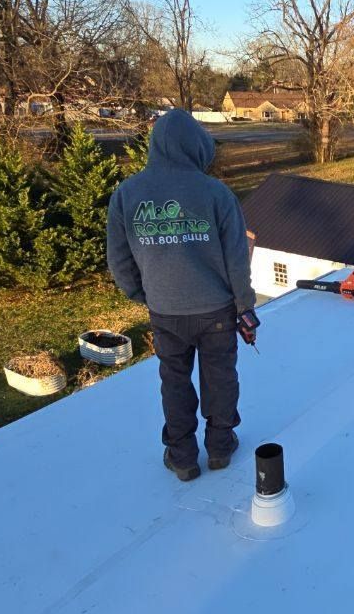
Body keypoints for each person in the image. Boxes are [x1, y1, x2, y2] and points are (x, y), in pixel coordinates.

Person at [106, 110, 258, 481]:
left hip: (165, 311)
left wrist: (142, 293)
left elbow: (119, 259)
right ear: (196, 147)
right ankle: (220, 447)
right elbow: (237, 258)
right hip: (217, 311)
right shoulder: (216, 194)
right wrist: (245, 306)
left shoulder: (128, 194)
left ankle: (183, 458)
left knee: (174, 381)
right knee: (220, 377)